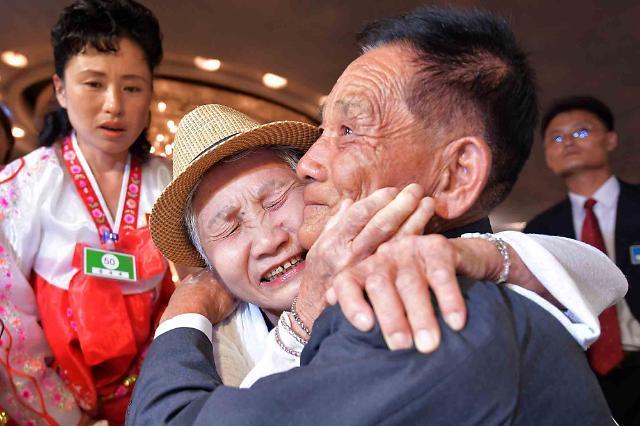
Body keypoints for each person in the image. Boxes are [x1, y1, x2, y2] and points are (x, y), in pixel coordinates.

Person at [128, 8, 623, 424]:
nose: (312, 165)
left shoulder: (420, 318)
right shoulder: (438, 284)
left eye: (348, 130)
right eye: (228, 226)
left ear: (456, 175)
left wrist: (184, 309)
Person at [148, 104, 626, 389]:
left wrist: (479, 255)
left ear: (317, 190)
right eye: (229, 228)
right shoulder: (209, 350)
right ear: (206, 263)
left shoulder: (404, 255)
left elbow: (602, 277)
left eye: (275, 200)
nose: (269, 238)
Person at [0, 1, 172, 424]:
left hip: (155, 393)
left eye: (132, 87)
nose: (114, 105)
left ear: (151, 91)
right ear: (60, 88)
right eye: (93, 84)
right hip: (57, 401)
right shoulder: (21, 186)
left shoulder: (174, 181)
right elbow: (8, 322)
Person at [525, 95, 640, 424]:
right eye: (557, 138)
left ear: (611, 139)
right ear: (548, 156)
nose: (569, 142)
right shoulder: (540, 231)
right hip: (581, 372)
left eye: (582, 131)